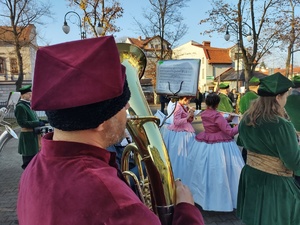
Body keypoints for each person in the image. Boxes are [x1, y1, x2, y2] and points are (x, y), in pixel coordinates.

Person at [17, 36, 204, 225]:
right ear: (101, 121)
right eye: (123, 105)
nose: (129, 107)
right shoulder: (117, 206)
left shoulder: (32, 169)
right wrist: (187, 211)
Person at [237, 72, 300, 225]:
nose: (286, 100)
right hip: (274, 183)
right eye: (285, 96)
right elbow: (294, 162)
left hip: (252, 176)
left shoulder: (246, 118)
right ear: (278, 97)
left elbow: (242, 141)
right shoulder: (281, 124)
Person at [186, 92, 245, 211]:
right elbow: (230, 132)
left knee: (205, 171)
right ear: (217, 104)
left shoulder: (204, 113)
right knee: (223, 172)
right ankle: (223, 199)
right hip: (220, 146)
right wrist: (241, 125)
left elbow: (216, 124)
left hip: (206, 141)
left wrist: (227, 119)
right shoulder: (217, 116)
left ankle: (204, 197)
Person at [161, 96, 195, 185]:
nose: (188, 101)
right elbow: (176, 122)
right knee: (180, 158)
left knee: (186, 157)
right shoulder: (178, 107)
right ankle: (179, 177)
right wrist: (187, 117)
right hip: (180, 135)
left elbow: (187, 121)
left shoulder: (182, 106)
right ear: (183, 98)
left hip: (184, 133)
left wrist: (190, 115)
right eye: (188, 99)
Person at [14, 85, 46, 169]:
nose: (31, 96)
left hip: (33, 135)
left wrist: (45, 121)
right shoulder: (20, 107)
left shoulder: (28, 105)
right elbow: (22, 123)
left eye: (31, 94)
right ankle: (27, 177)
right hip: (27, 137)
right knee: (28, 160)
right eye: (29, 94)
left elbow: (35, 118)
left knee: (34, 158)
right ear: (22, 95)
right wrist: (37, 123)